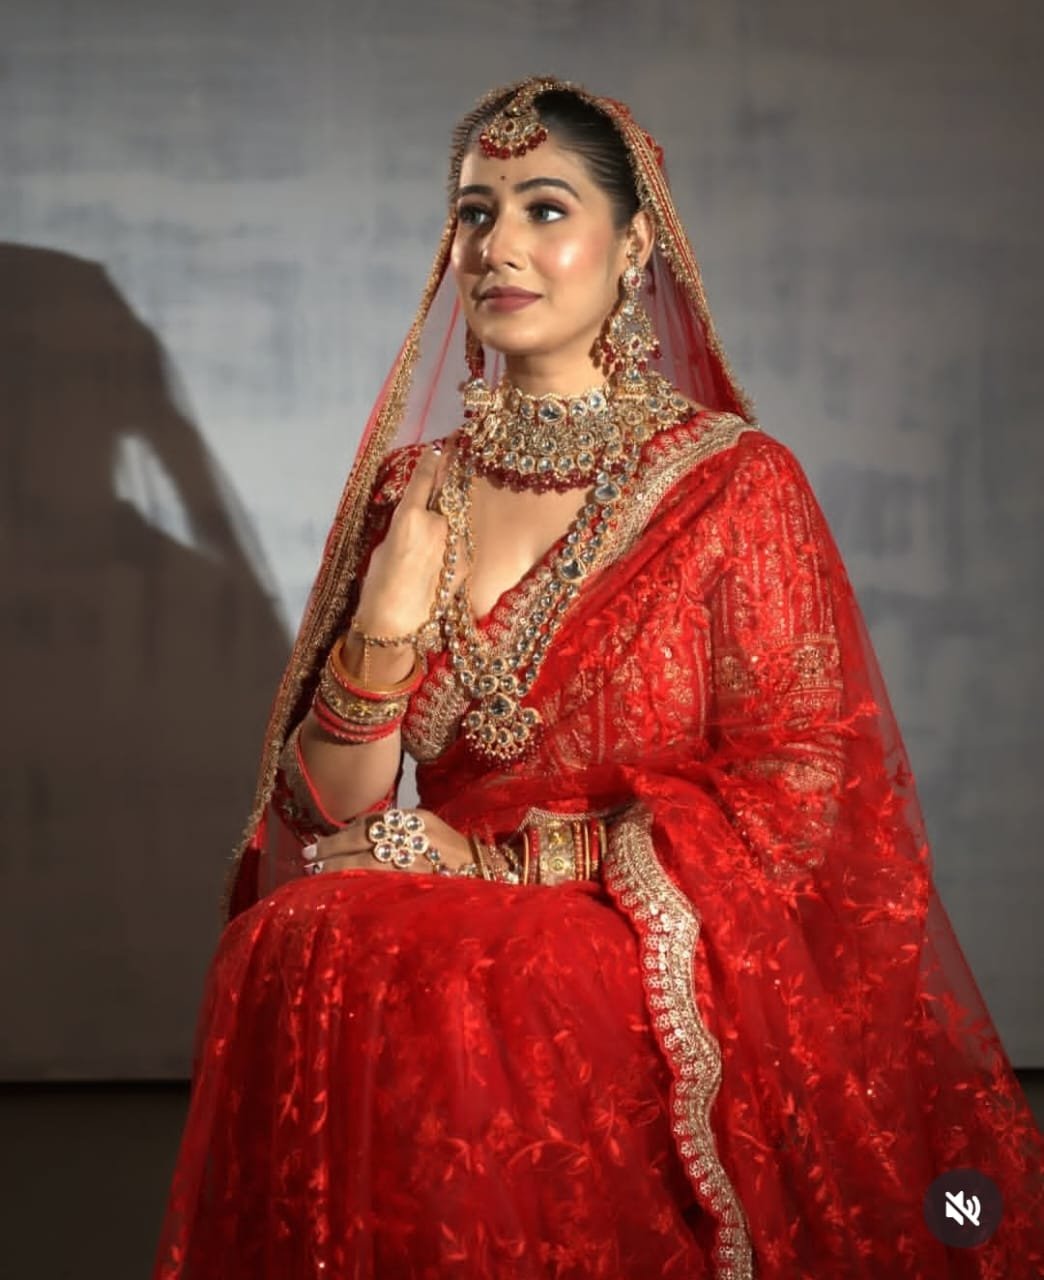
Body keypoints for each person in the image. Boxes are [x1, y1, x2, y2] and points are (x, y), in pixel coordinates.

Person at [151, 78, 1043, 1280]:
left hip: (643, 927)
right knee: (296, 936)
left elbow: (798, 797)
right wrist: (385, 620)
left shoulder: (732, 486)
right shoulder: (414, 489)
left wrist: (506, 864)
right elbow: (330, 815)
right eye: (475, 213)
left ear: (633, 248)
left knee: (492, 976)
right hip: (434, 899)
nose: (497, 246)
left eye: (543, 207)